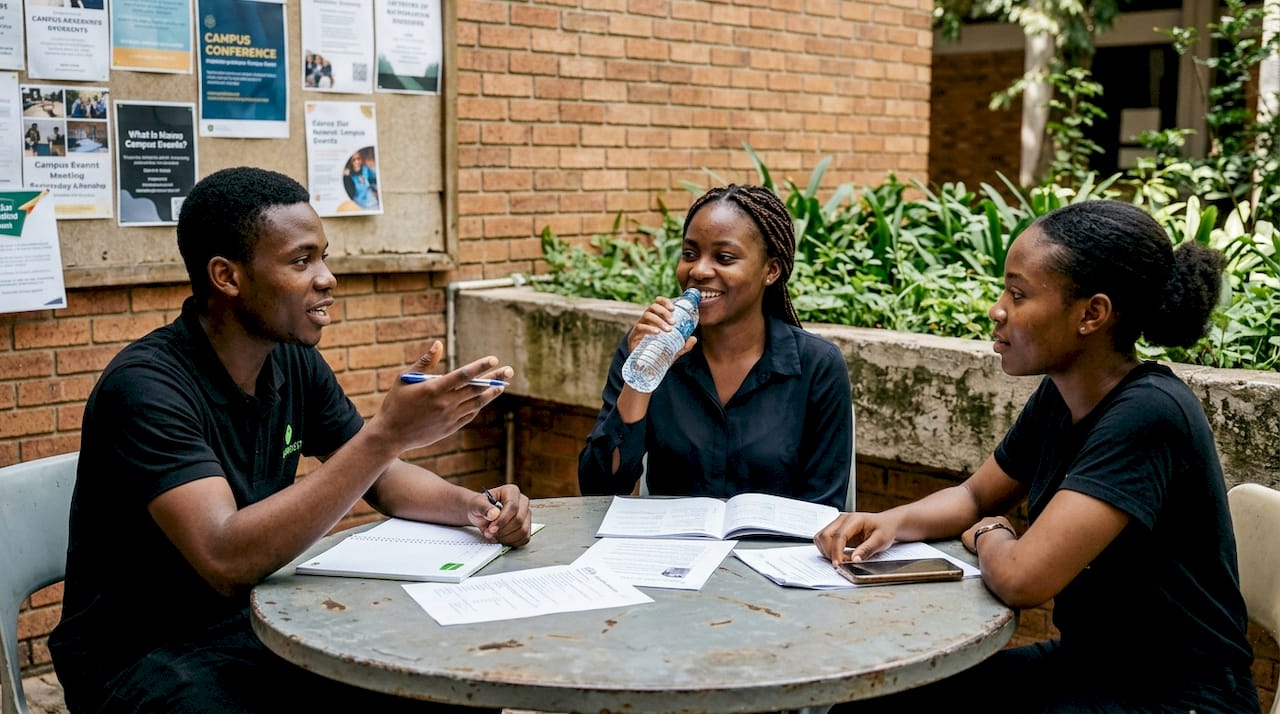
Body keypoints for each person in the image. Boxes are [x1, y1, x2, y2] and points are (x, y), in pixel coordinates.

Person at [49, 166, 531, 713]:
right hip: (141, 656)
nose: (327, 278)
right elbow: (225, 558)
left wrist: (477, 509)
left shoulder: (294, 362)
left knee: (442, 685)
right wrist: (386, 435)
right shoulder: (144, 389)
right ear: (227, 277)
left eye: (324, 256)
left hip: (259, 622)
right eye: (301, 261)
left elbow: (385, 482)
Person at [814, 200, 1258, 712]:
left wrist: (992, 533)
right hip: (1092, 668)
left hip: (1177, 697)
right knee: (870, 703)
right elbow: (975, 493)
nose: (997, 309)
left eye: (1018, 293)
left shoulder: (1148, 413)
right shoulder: (1062, 394)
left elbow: (1024, 578)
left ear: (1092, 313)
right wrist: (885, 522)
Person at [578, 184, 853, 508]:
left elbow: (823, 509)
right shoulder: (645, 348)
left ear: (771, 270)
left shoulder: (817, 366)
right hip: (671, 554)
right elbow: (598, 491)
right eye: (690, 254)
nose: (699, 270)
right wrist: (641, 379)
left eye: (724, 257)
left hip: (771, 554)